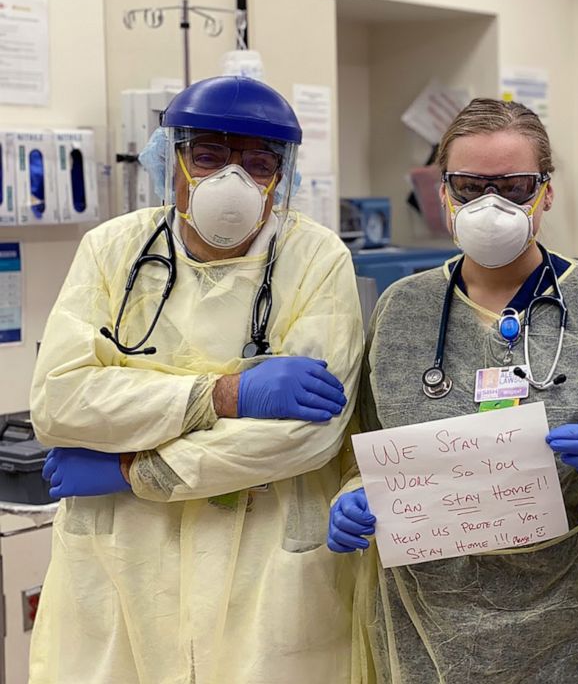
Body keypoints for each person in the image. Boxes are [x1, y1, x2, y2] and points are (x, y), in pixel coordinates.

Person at [29, 76, 364, 684]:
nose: (230, 181)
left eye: (258, 163)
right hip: (122, 550)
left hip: (262, 556)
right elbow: (59, 402)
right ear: (169, 158)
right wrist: (227, 394)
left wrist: (135, 470)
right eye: (208, 155)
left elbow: (304, 437)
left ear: (279, 177)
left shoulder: (317, 260)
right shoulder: (112, 249)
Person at [326, 98, 578, 683]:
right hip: (426, 617)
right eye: (470, 185)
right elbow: (368, 436)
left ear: (546, 193)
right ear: (444, 195)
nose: (491, 203)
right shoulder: (403, 310)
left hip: (574, 614)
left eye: (513, 186)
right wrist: (355, 497)